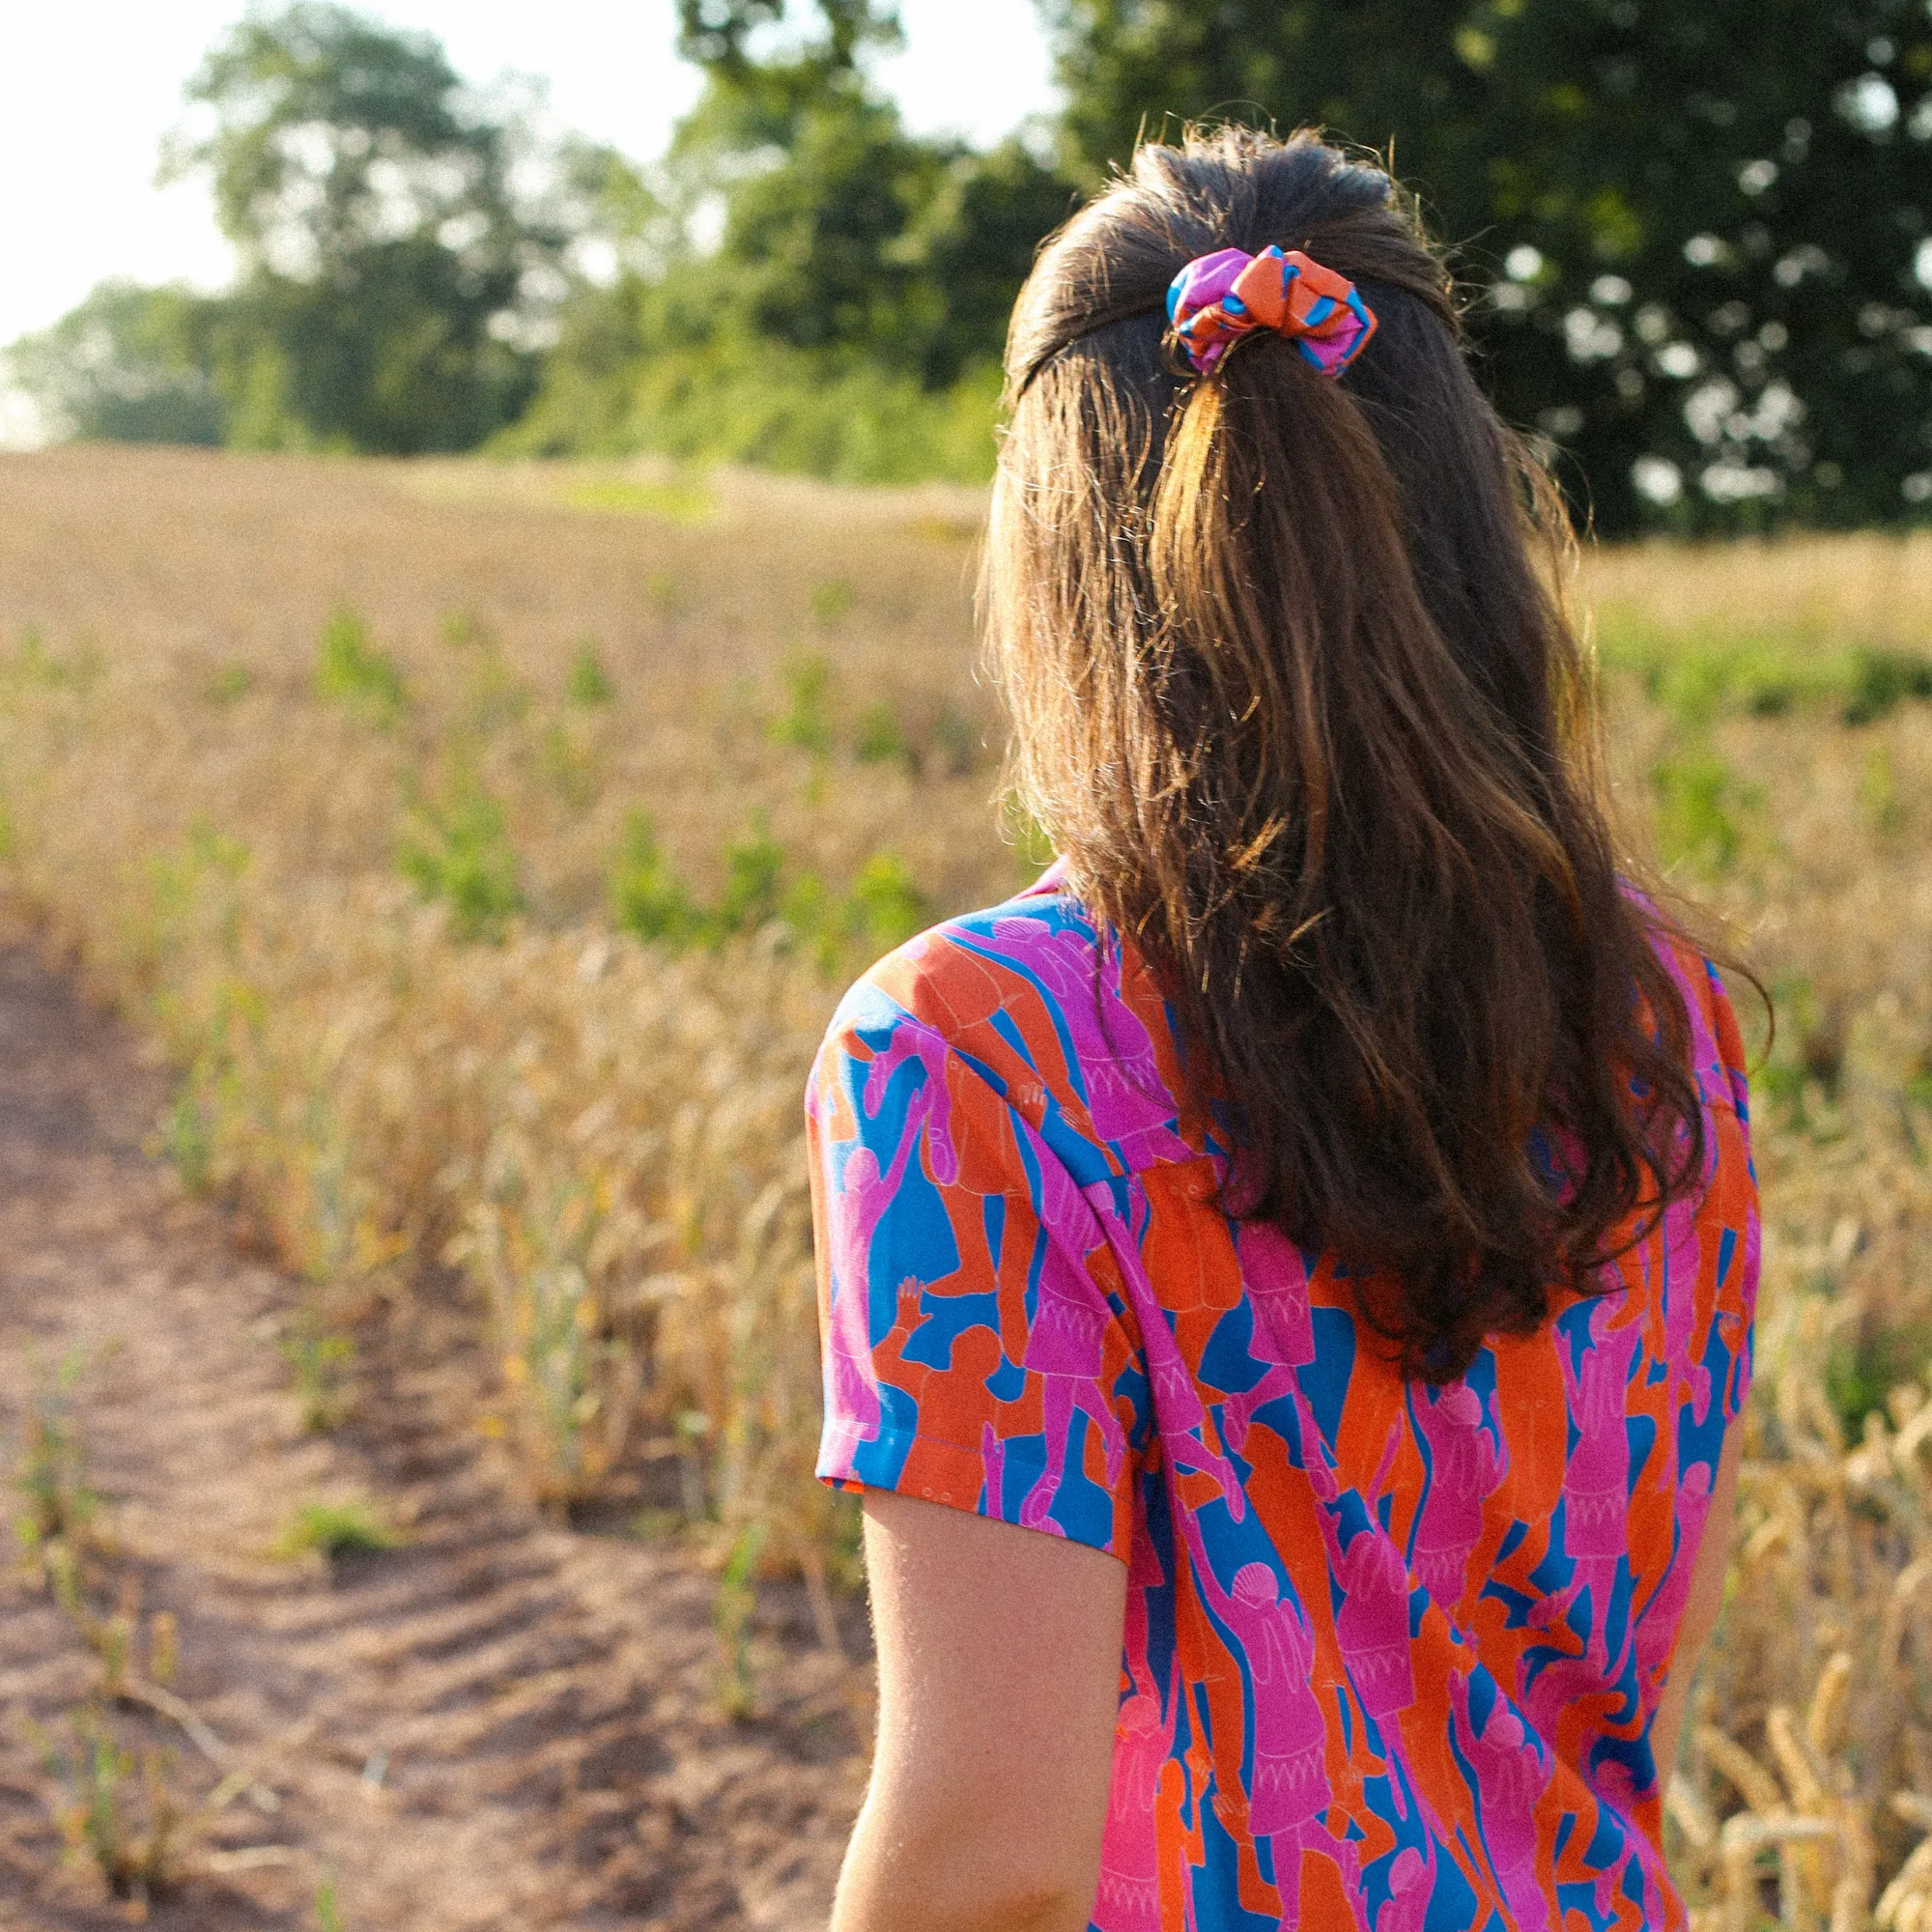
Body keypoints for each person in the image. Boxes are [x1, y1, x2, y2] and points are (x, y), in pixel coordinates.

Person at [805, 126, 1758, 1932]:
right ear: (1473, 514)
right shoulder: (1664, 1018)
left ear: (1049, 559)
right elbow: (1628, 1665)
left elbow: (989, 1854)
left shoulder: (973, 1048)